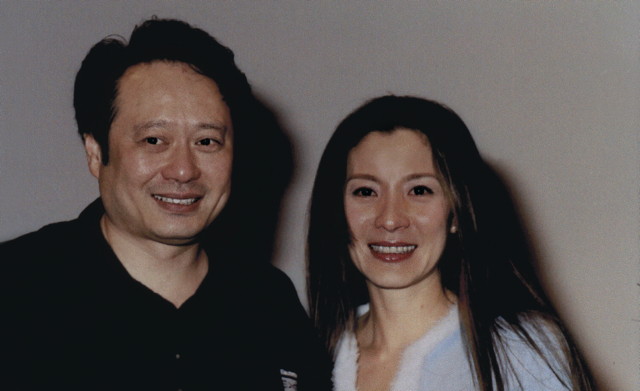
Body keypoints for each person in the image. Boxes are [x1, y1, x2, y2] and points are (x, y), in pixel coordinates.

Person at [0, 18, 331, 391]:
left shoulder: (270, 303)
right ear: (95, 153)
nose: (184, 170)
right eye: (154, 140)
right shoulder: (16, 291)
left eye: (207, 142)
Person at [306, 95, 594, 391]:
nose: (390, 219)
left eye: (419, 190)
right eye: (365, 192)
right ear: (335, 211)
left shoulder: (519, 353)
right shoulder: (305, 355)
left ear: (456, 212)